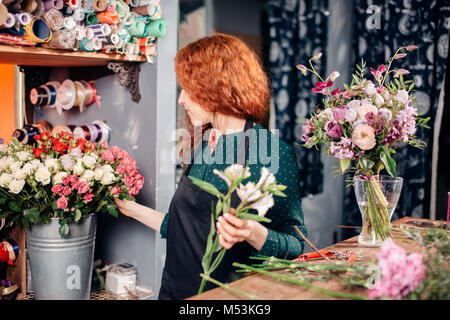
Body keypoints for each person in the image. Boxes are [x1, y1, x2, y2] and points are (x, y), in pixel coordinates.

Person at [114, 33, 307, 300]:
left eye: (188, 89)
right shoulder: (204, 143)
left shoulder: (272, 153)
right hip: (175, 292)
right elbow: (183, 229)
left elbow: (297, 245)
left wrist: (254, 233)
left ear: (215, 88)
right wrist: (128, 207)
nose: (181, 100)